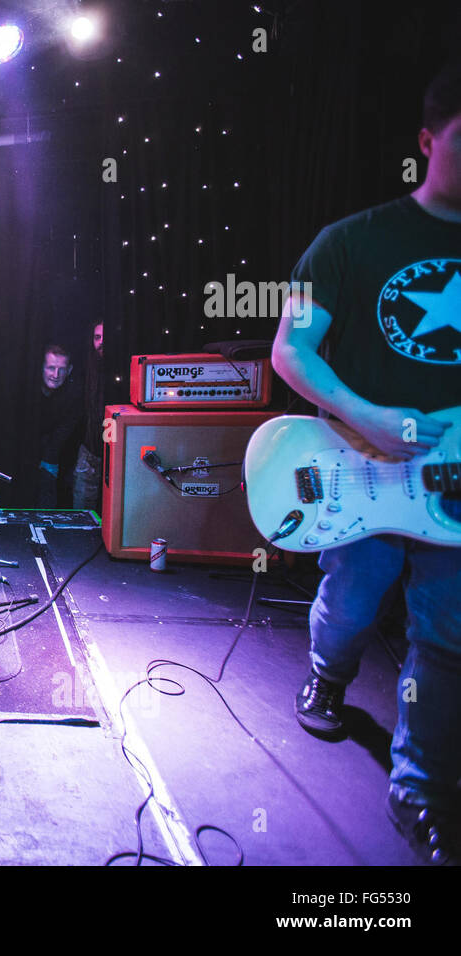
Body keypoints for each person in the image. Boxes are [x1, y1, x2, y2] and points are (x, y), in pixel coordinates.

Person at [271, 61, 461, 863]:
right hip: (365, 466)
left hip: (453, 486)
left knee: (447, 632)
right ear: (428, 141)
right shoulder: (348, 243)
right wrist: (367, 414)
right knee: (350, 597)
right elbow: (290, 348)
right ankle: (328, 673)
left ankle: (419, 786)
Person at [31, 344, 83, 508]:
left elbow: (63, 434)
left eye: (61, 369)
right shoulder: (28, 392)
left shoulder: (74, 396)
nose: (55, 374)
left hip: (60, 463)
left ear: (69, 370)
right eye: (51, 368)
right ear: (41, 367)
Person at [72, 323, 105, 512]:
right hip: (90, 451)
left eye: (104, 337)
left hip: (118, 453)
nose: (101, 343)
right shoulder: (88, 370)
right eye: (97, 337)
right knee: (83, 511)